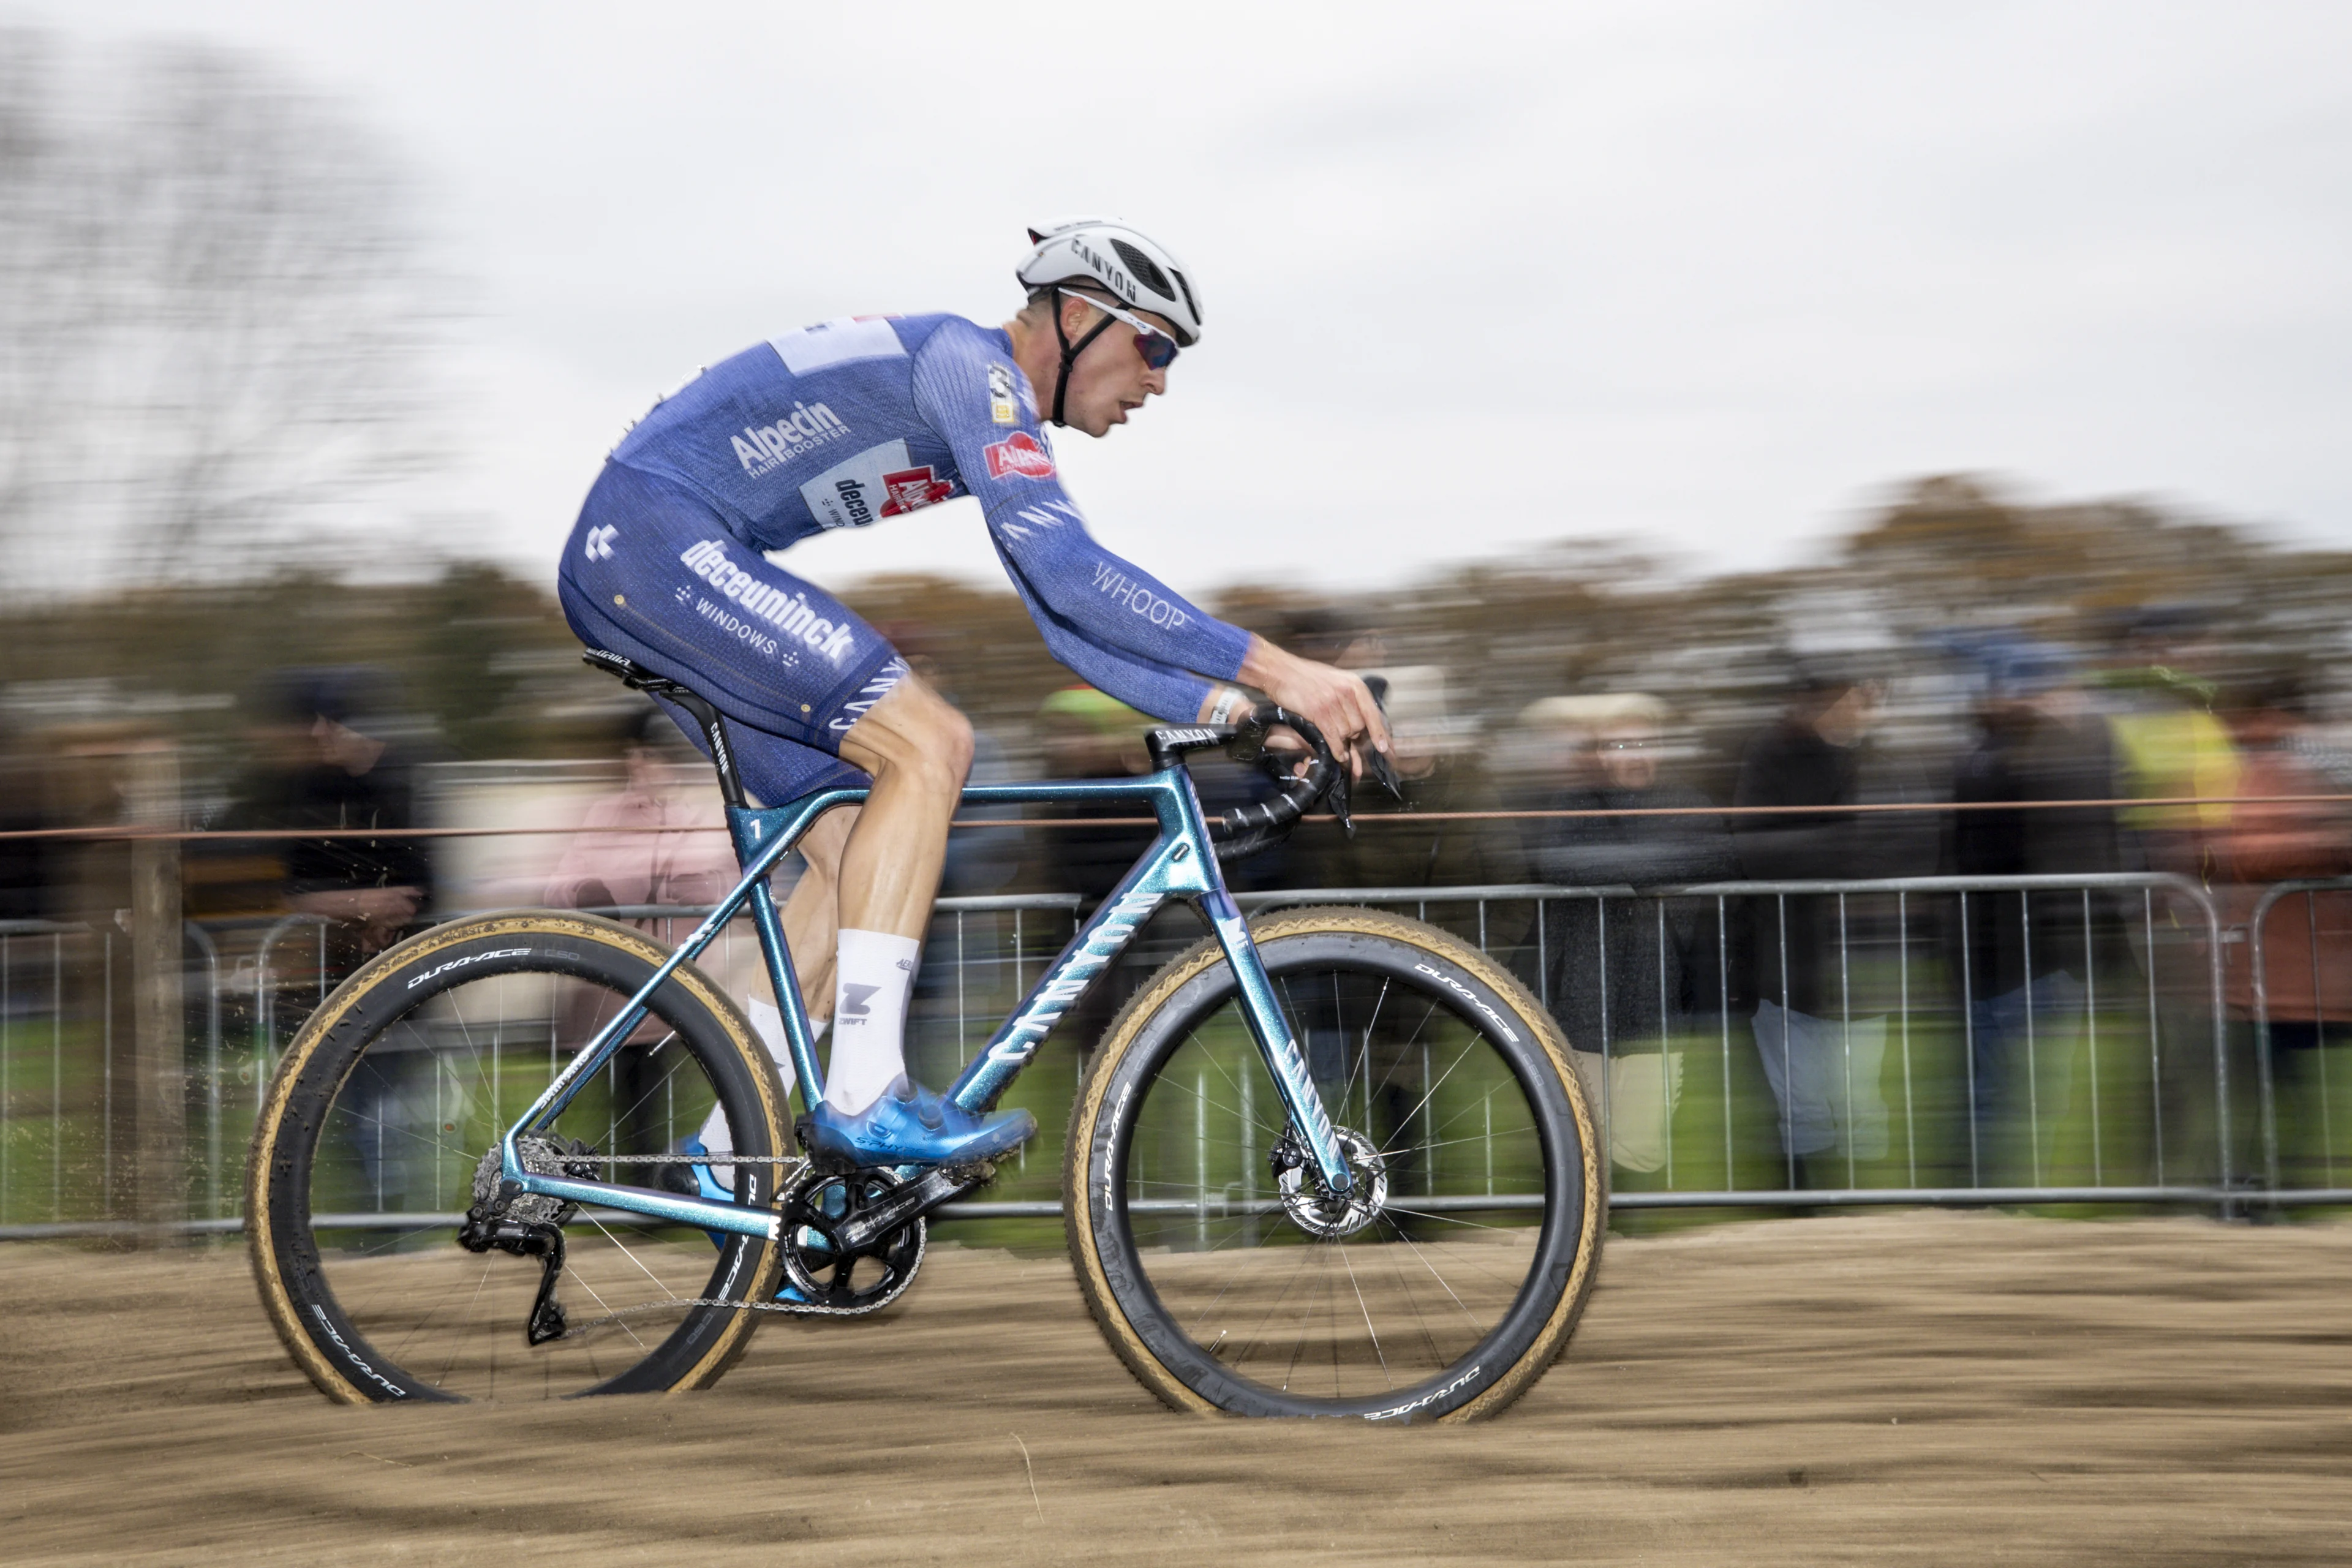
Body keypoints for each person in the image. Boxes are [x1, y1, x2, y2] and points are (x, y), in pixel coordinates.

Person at [556, 218, 1389, 1170]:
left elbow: (1061, 621)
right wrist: (1288, 671)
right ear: (1077, 316)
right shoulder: (975, 368)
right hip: (653, 539)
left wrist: (1241, 717)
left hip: (666, 550)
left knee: (848, 846)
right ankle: (865, 1094)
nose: (1159, 378)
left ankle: (727, 1155)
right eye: (1152, 345)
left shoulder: (988, 401)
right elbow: (1070, 570)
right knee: (930, 744)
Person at [1517, 694, 1736, 1175]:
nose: (1634, 754)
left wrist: (1614, 864)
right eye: (1620, 744)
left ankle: (1629, 1241)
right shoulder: (1571, 804)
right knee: (1580, 1139)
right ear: (1600, 753)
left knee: (1641, 1147)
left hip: (1657, 1004)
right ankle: (1582, 1236)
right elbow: (1558, 864)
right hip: (1581, 1004)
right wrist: (1651, 865)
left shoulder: (1689, 804)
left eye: (1645, 743)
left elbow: (1708, 857)